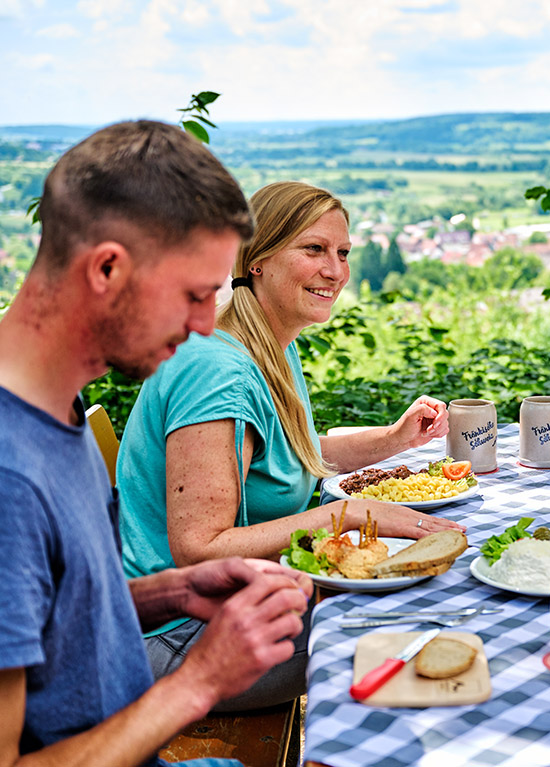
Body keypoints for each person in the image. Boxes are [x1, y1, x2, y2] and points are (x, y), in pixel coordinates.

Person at [0, 120, 312, 767]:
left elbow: (55, 626)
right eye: (194, 295)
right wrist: (199, 680)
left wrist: (169, 590)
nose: (205, 324)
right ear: (108, 268)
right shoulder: (10, 475)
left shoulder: (54, 406)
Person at [116, 180, 465, 710]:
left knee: (426, 599)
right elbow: (198, 547)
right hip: (178, 640)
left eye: (343, 253)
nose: (336, 271)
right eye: (314, 249)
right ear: (258, 259)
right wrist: (341, 515)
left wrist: (394, 440)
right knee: (425, 629)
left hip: (237, 605)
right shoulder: (218, 372)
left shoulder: (265, 341)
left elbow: (286, 453)